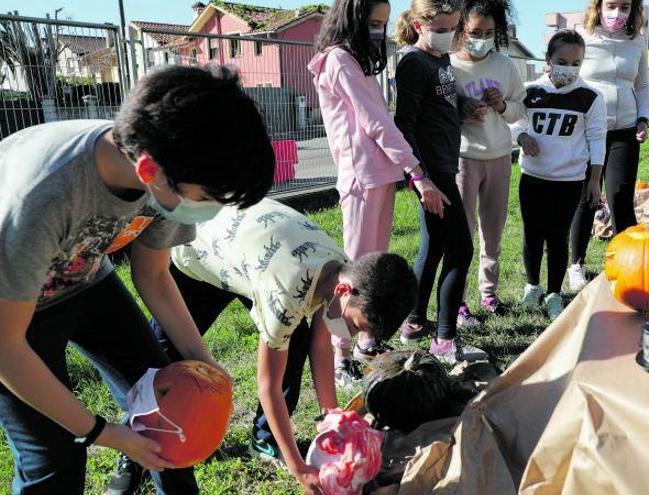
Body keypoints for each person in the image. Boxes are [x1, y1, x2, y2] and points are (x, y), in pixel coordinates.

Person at [0, 65, 275, 495]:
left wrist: (206, 371)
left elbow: (154, 275)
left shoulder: (166, 171)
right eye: (205, 199)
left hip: (83, 275)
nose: (206, 212)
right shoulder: (41, 198)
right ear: (149, 171)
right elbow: (6, 349)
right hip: (10, 308)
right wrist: (101, 432)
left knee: (176, 416)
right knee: (54, 458)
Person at [147, 199, 416, 495]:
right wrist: (298, 467)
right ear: (343, 291)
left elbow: (321, 346)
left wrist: (332, 415)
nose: (350, 335)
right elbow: (268, 385)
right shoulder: (286, 294)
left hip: (251, 255)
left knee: (295, 340)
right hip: (199, 252)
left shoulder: (340, 269)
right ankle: (134, 457)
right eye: (355, 325)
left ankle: (265, 439)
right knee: (157, 359)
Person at [309, 0, 449, 382]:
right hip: (360, 177)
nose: (378, 31)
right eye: (372, 22)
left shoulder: (356, 59)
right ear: (351, 19)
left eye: (383, 24)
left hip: (380, 174)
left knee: (371, 269)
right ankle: (339, 357)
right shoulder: (338, 60)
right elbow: (377, 123)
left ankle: (365, 341)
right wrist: (418, 173)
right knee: (353, 272)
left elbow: (380, 120)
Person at [394, 0, 487, 363]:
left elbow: (440, 104)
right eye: (444, 28)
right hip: (432, 174)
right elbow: (405, 124)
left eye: (453, 28)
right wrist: (422, 179)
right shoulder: (414, 64)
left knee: (432, 247)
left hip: (445, 167)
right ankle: (445, 340)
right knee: (461, 249)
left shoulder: (440, 60)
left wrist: (464, 106)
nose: (450, 35)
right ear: (420, 25)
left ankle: (414, 322)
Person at [512, 29, 607, 320]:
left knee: (557, 237)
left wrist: (593, 179)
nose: (569, 68)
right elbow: (513, 123)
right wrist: (521, 138)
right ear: (548, 60)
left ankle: (554, 292)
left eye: (576, 62)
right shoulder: (529, 92)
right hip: (533, 177)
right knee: (532, 235)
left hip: (569, 181)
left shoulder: (590, 97)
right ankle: (533, 285)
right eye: (562, 61)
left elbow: (597, 139)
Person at [567, 0, 649, 291]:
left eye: (625, 7)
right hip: (589, 132)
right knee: (587, 198)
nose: (618, 14)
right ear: (598, 6)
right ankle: (575, 264)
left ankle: (625, 263)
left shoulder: (636, 41)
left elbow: (641, 86)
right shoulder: (582, 37)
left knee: (620, 199)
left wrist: (643, 118)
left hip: (625, 131)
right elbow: (570, 78)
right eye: (612, 6)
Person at [451, 0, 526, 323]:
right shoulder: (448, 65)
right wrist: (460, 109)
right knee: (462, 234)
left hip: (498, 157)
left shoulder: (505, 66)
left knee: (492, 232)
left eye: (489, 33)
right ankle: (459, 298)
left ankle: (488, 292)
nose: (481, 38)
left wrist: (502, 105)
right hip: (463, 159)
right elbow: (437, 113)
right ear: (460, 31)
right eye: (474, 32)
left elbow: (519, 110)